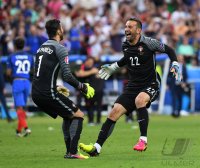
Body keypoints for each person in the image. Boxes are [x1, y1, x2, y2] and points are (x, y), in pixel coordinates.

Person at [79, 17, 181, 156]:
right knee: (114, 111)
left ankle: (143, 140)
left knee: (140, 100)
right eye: (126, 26)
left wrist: (175, 63)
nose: (127, 29)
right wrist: (114, 67)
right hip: (133, 85)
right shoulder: (125, 45)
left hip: (151, 83)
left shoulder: (149, 42)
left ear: (138, 30)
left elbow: (169, 50)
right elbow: (127, 59)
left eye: (130, 26)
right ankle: (96, 147)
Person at [31, 19, 95, 159]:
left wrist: (55, 86)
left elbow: (39, 73)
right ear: (59, 31)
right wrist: (82, 87)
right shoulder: (60, 48)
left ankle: (69, 152)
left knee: (68, 115)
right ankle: (73, 152)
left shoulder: (41, 48)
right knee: (79, 115)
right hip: (47, 93)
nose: (63, 30)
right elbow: (67, 75)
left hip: (36, 92)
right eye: (62, 27)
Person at [6, 37, 34, 136]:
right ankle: (18, 131)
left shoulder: (11, 56)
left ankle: (26, 128)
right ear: (24, 45)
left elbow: (8, 72)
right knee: (22, 108)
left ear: (14, 46)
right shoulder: (30, 57)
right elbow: (32, 71)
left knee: (19, 107)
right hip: (26, 82)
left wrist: (11, 80)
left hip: (17, 81)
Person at [75, 57, 104, 125]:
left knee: (98, 106)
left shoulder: (96, 68)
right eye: (89, 62)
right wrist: (92, 71)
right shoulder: (84, 67)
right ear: (86, 61)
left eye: (91, 62)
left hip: (98, 90)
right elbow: (79, 74)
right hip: (89, 90)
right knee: (90, 106)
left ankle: (98, 121)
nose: (90, 63)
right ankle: (91, 121)